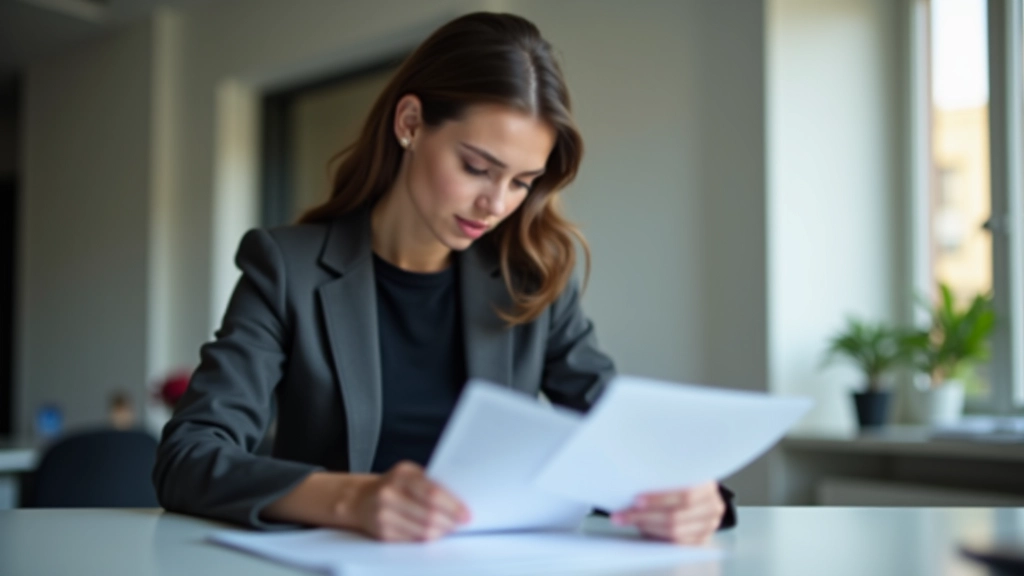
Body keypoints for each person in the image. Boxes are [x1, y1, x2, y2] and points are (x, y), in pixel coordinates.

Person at [153, 11, 735, 544]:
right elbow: (189, 456)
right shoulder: (287, 269)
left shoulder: (529, 280)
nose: (496, 203)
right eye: (477, 168)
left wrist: (693, 499)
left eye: (521, 182)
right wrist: (352, 499)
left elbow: (619, 438)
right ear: (410, 123)